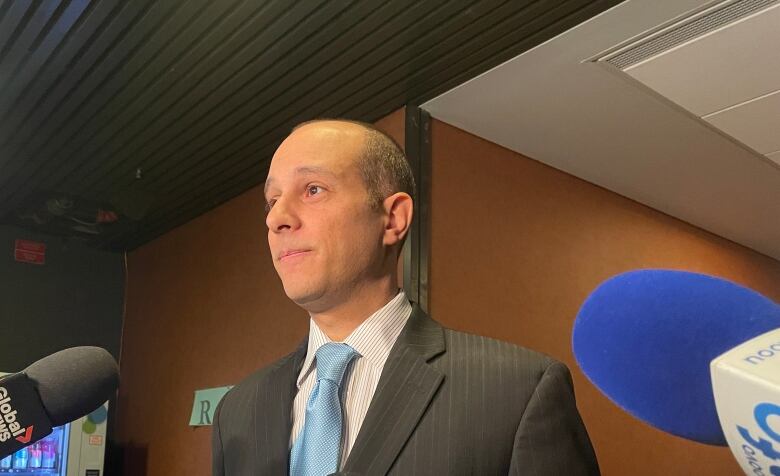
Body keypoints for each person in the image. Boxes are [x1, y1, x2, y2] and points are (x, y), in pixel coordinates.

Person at [211, 119, 600, 476]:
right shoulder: (238, 411)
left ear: (394, 218)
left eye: (313, 189)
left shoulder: (517, 394)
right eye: (272, 200)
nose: (276, 218)